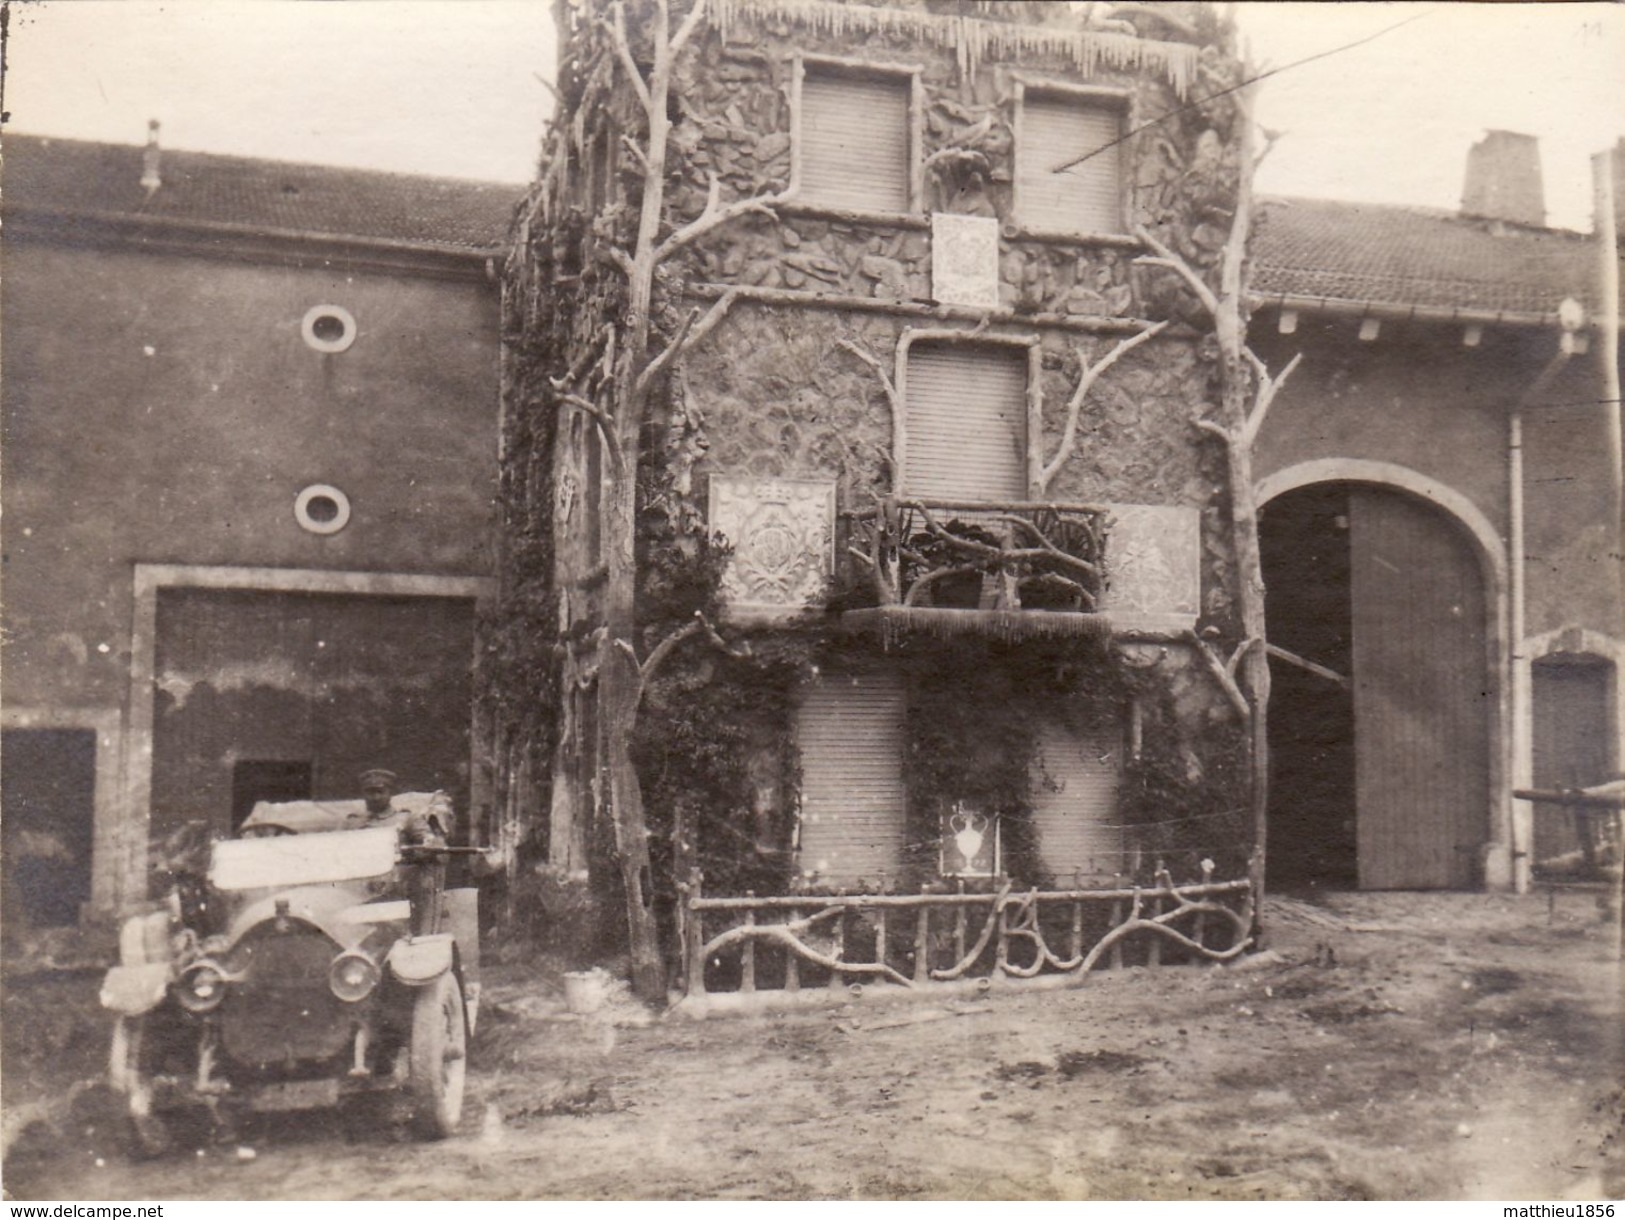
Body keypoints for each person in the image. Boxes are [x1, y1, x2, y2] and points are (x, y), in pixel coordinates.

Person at [348, 768, 450, 845]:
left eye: (380, 792)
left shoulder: (407, 818)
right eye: (370, 793)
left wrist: (428, 845)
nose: (376, 797)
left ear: (390, 793)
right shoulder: (353, 821)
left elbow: (428, 842)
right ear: (363, 794)